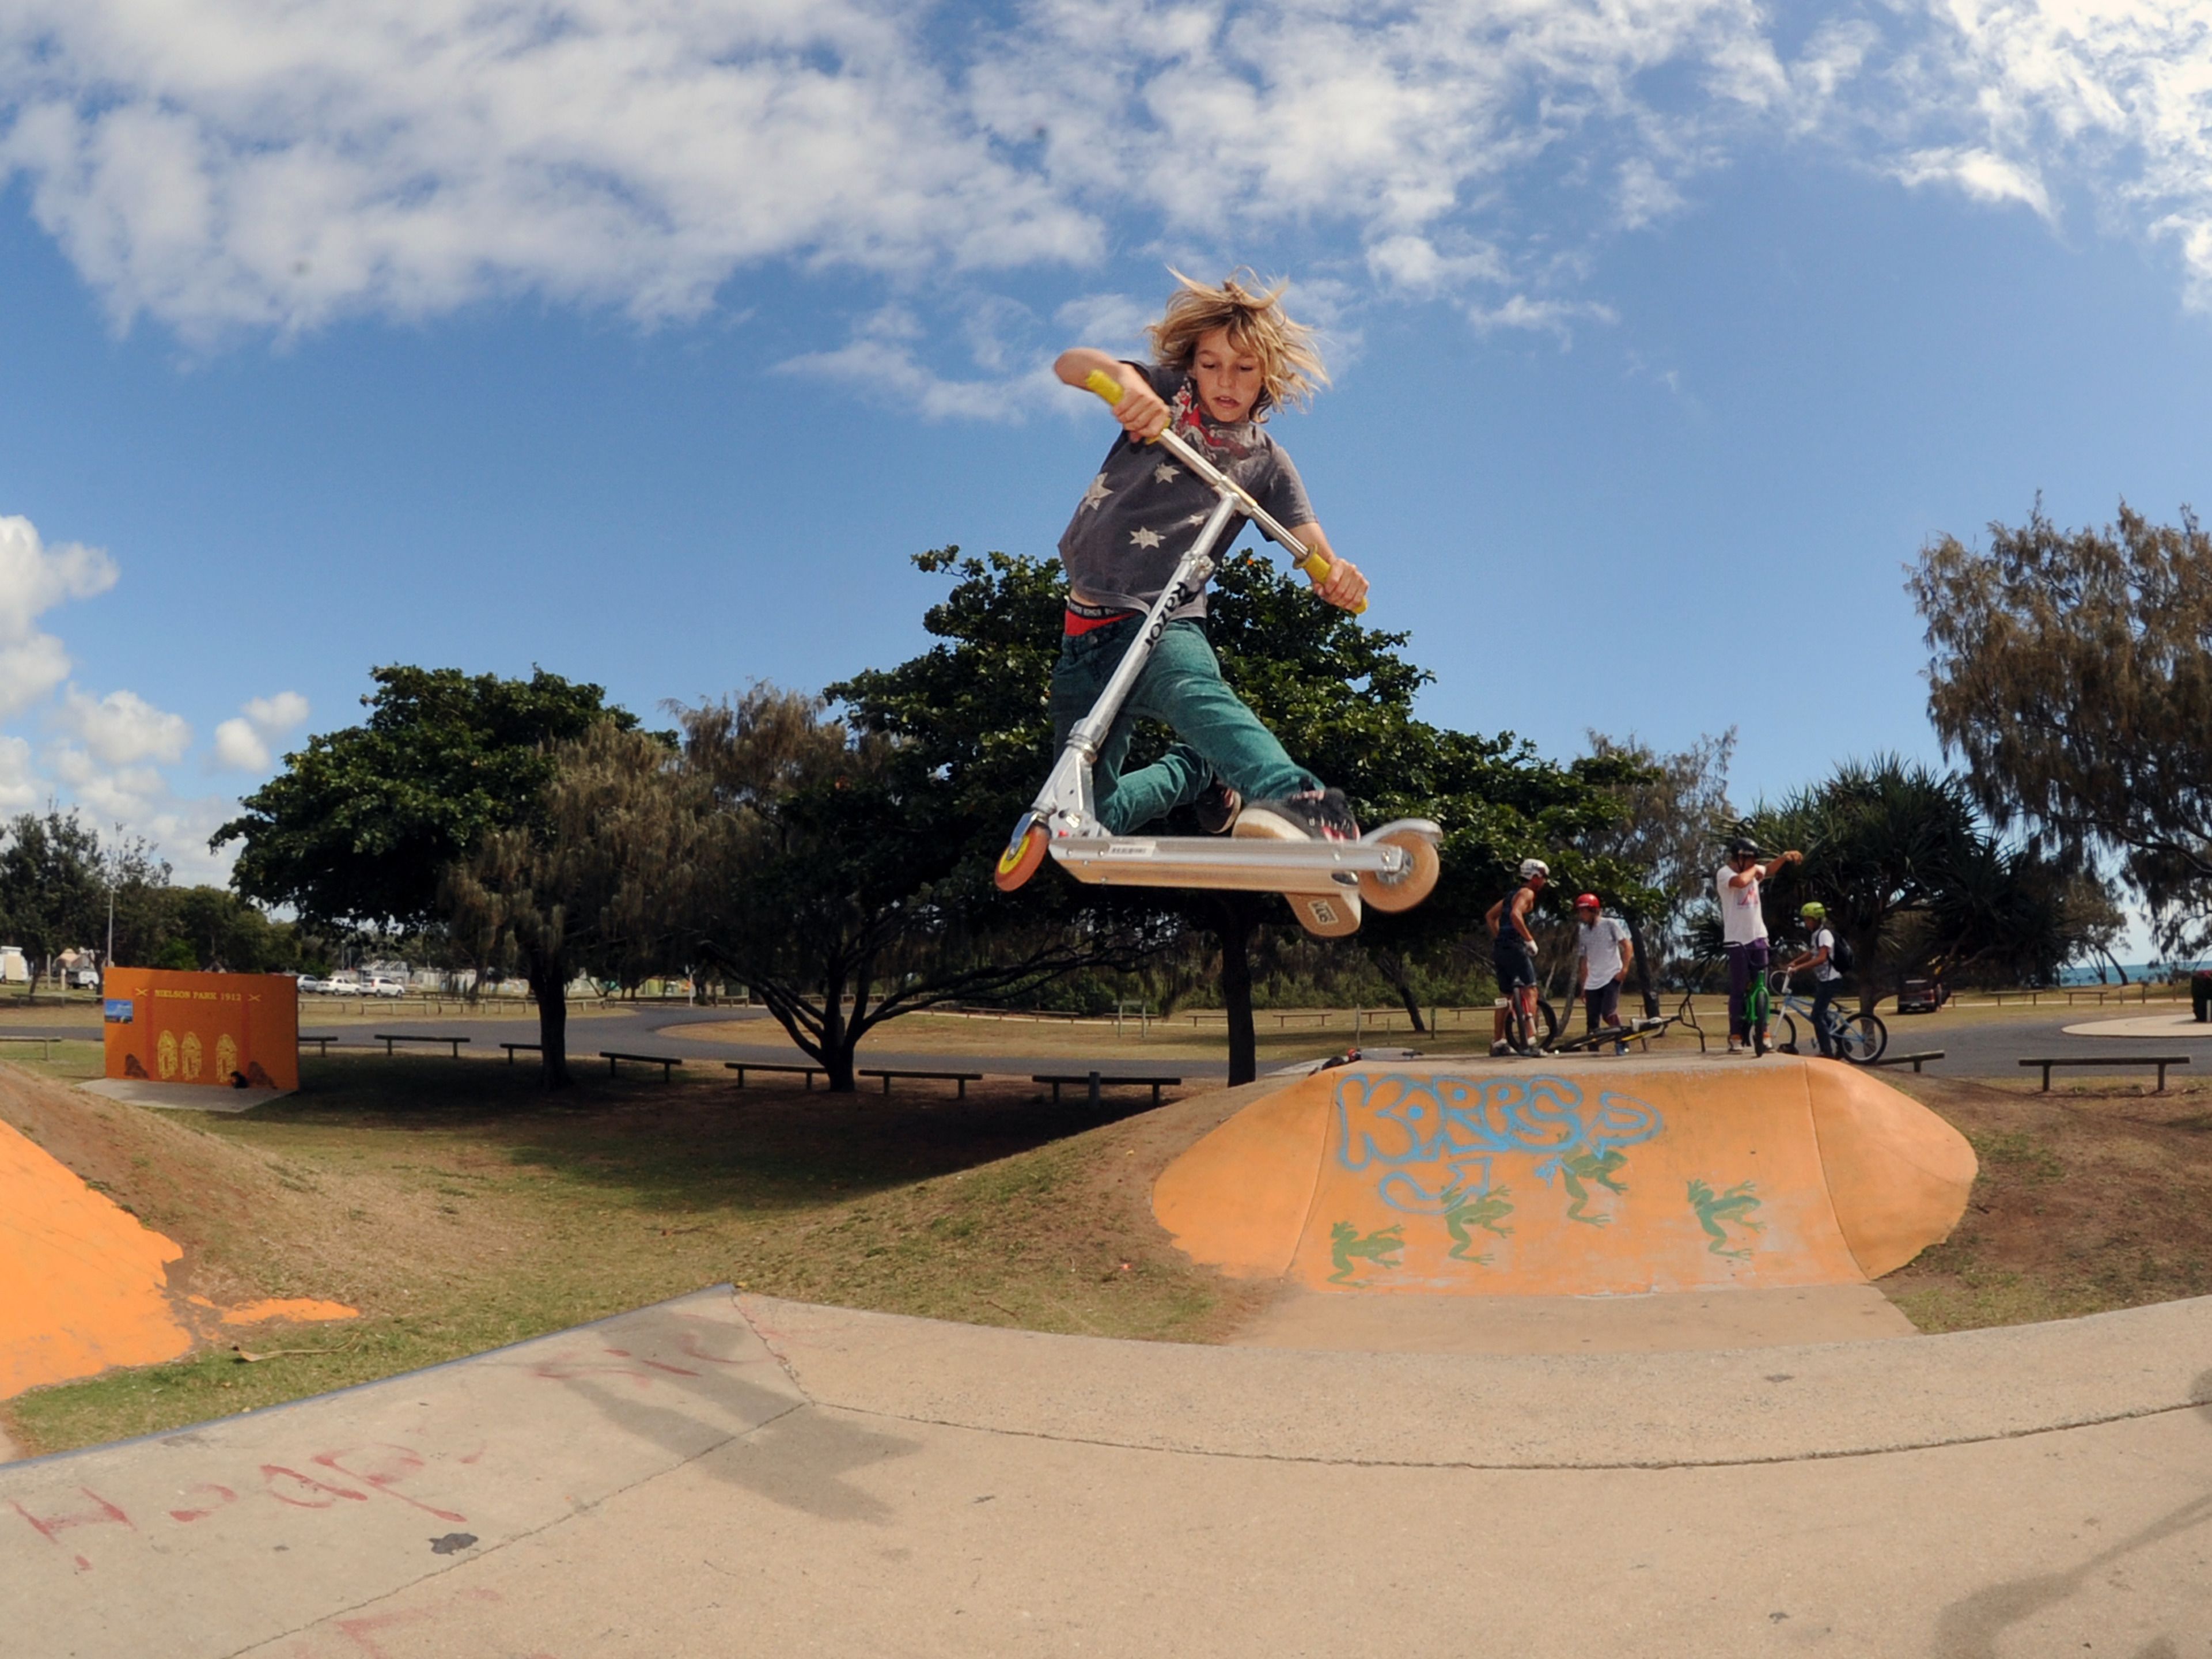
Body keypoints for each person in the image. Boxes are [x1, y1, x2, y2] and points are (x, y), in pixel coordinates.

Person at [1048, 272, 1368, 846]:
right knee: (1083, 813)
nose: (1226, 381)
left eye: (1245, 369)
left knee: (1196, 695)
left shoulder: (1266, 461)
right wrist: (1124, 385)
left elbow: (1313, 545)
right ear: (1191, 364)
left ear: (1266, 376)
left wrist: (1336, 574)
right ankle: (1195, 771)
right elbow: (1072, 364)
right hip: (1083, 636)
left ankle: (1300, 802)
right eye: (1212, 363)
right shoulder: (1167, 396)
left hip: (1164, 621)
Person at [1715, 835, 1802, 1054]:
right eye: (1751, 860)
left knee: (1761, 986)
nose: (1755, 864)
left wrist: (1783, 858)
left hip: (1758, 937)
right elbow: (1741, 882)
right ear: (1740, 859)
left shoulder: (1753, 871)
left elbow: (1769, 870)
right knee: (1738, 989)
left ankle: (1764, 1033)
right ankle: (1735, 1036)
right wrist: (1755, 871)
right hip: (1736, 941)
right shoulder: (1725, 874)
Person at [1487, 859, 1550, 1055]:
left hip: (1501, 949)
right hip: (1515, 947)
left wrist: (1501, 937)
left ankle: (1498, 1043)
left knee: (1505, 997)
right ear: (1535, 877)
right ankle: (1530, 1041)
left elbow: (1490, 916)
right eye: (1544, 877)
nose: (1545, 882)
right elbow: (1516, 915)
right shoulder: (1527, 893)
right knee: (1530, 991)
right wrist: (1529, 940)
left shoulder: (1510, 895)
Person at [1569, 893, 1635, 1054]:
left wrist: (1624, 970)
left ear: (1593, 910)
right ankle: (1594, 1049)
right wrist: (1584, 985)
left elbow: (1627, 946)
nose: (1582, 915)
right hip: (1594, 979)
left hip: (1611, 975)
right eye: (1580, 912)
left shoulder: (1610, 924)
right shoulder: (1584, 932)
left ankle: (1622, 1042)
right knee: (1592, 1020)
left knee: (1608, 1013)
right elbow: (1584, 960)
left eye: (1584, 911)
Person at [1782, 902, 1843, 1058]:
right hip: (1824, 980)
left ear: (1816, 919)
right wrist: (1796, 962)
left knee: (1816, 1015)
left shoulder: (1824, 934)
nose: (1806, 923)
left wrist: (1799, 968)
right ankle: (1844, 1045)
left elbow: (1822, 958)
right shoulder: (1816, 935)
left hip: (1832, 979)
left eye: (1808, 919)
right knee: (1822, 1015)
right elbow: (1812, 953)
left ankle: (1826, 1052)